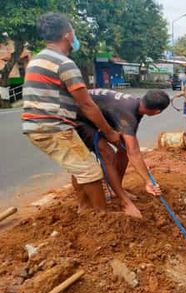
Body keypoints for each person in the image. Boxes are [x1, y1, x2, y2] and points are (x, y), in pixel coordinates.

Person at [22, 12, 120, 213]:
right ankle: (103, 217)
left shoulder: (37, 60)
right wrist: (109, 133)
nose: (74, 36)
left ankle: (84, 208)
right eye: (73, 31)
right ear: (67, 34)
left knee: (79, 166)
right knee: (91, 172)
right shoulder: (64, 63)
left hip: (37, 126)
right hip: (54, 127)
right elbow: (86, 104)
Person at [76, 89, 169, 218]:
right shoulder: (128, 113)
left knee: (123, 148)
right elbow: (134, 152)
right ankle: (124, 202)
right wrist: (148, 181)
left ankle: (116, 189)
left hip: (91, 114)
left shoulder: (136, 106)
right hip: (76, 117)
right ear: (157, 112)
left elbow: (128, 147)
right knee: (107, 154)